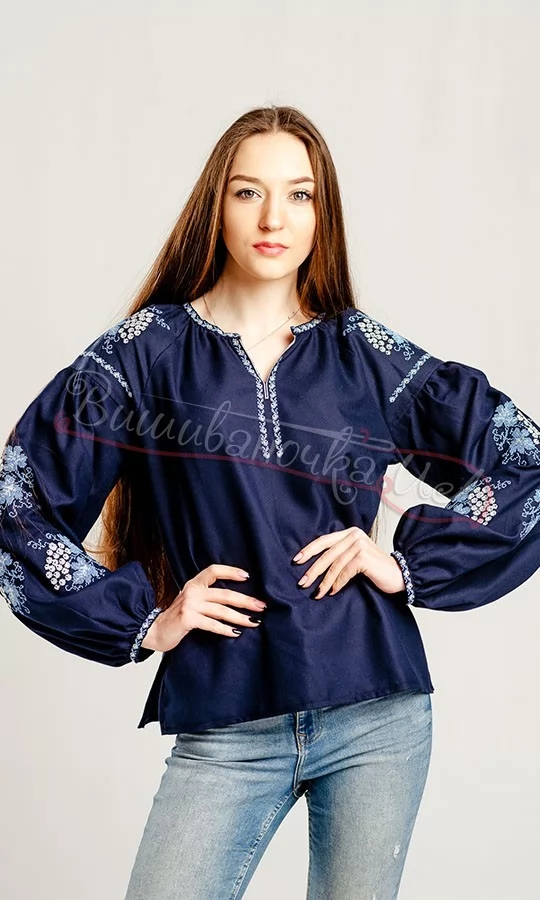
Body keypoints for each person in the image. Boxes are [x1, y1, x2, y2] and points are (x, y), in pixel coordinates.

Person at [1, 105, 539, 900]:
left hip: (377, 713)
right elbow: (20, 500)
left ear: (323, 214)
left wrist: (403, 562)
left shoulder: (363, 354)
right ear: (215, 205)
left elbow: (524, 460)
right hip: (226, 720)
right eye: (248, 192)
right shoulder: (143, 356)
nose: (273, 219)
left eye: (300, 194)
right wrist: (146, 622)